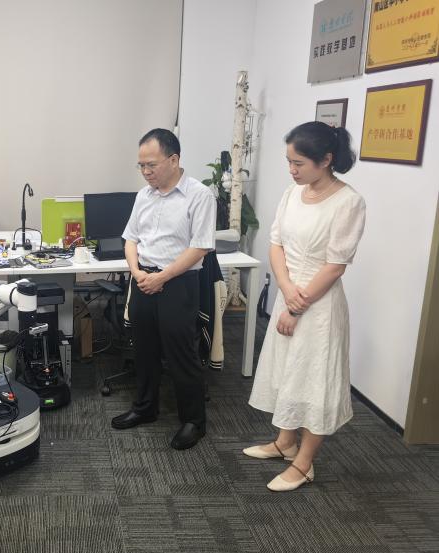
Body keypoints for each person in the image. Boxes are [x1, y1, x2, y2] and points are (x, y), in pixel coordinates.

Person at [244, 121, 366, 492]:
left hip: (319, 306)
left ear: (326, 160)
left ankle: (304, 463)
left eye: (298, 163)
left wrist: (297, 307)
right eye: (289, 162)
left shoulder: (348, 202)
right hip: (290, 294)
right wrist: (285, 289)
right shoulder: (292, 193)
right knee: (288, 371)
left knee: (314, 380)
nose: (291, 170)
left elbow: (335, 265)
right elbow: (276, 243)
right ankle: (285, 442)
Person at [111, 128, 216, 450]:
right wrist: (137, 272)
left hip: (178, 283)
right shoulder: (144, 195)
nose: (145, 172)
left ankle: (194, 421)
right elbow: (131, 238)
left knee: (181, 353)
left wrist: (162, 277)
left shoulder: (199, 195)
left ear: (174, 159)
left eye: (151, 165)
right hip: (143, 279)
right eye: (141, 165)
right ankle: (145, 408)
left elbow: (200, 247)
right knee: (143, 349)